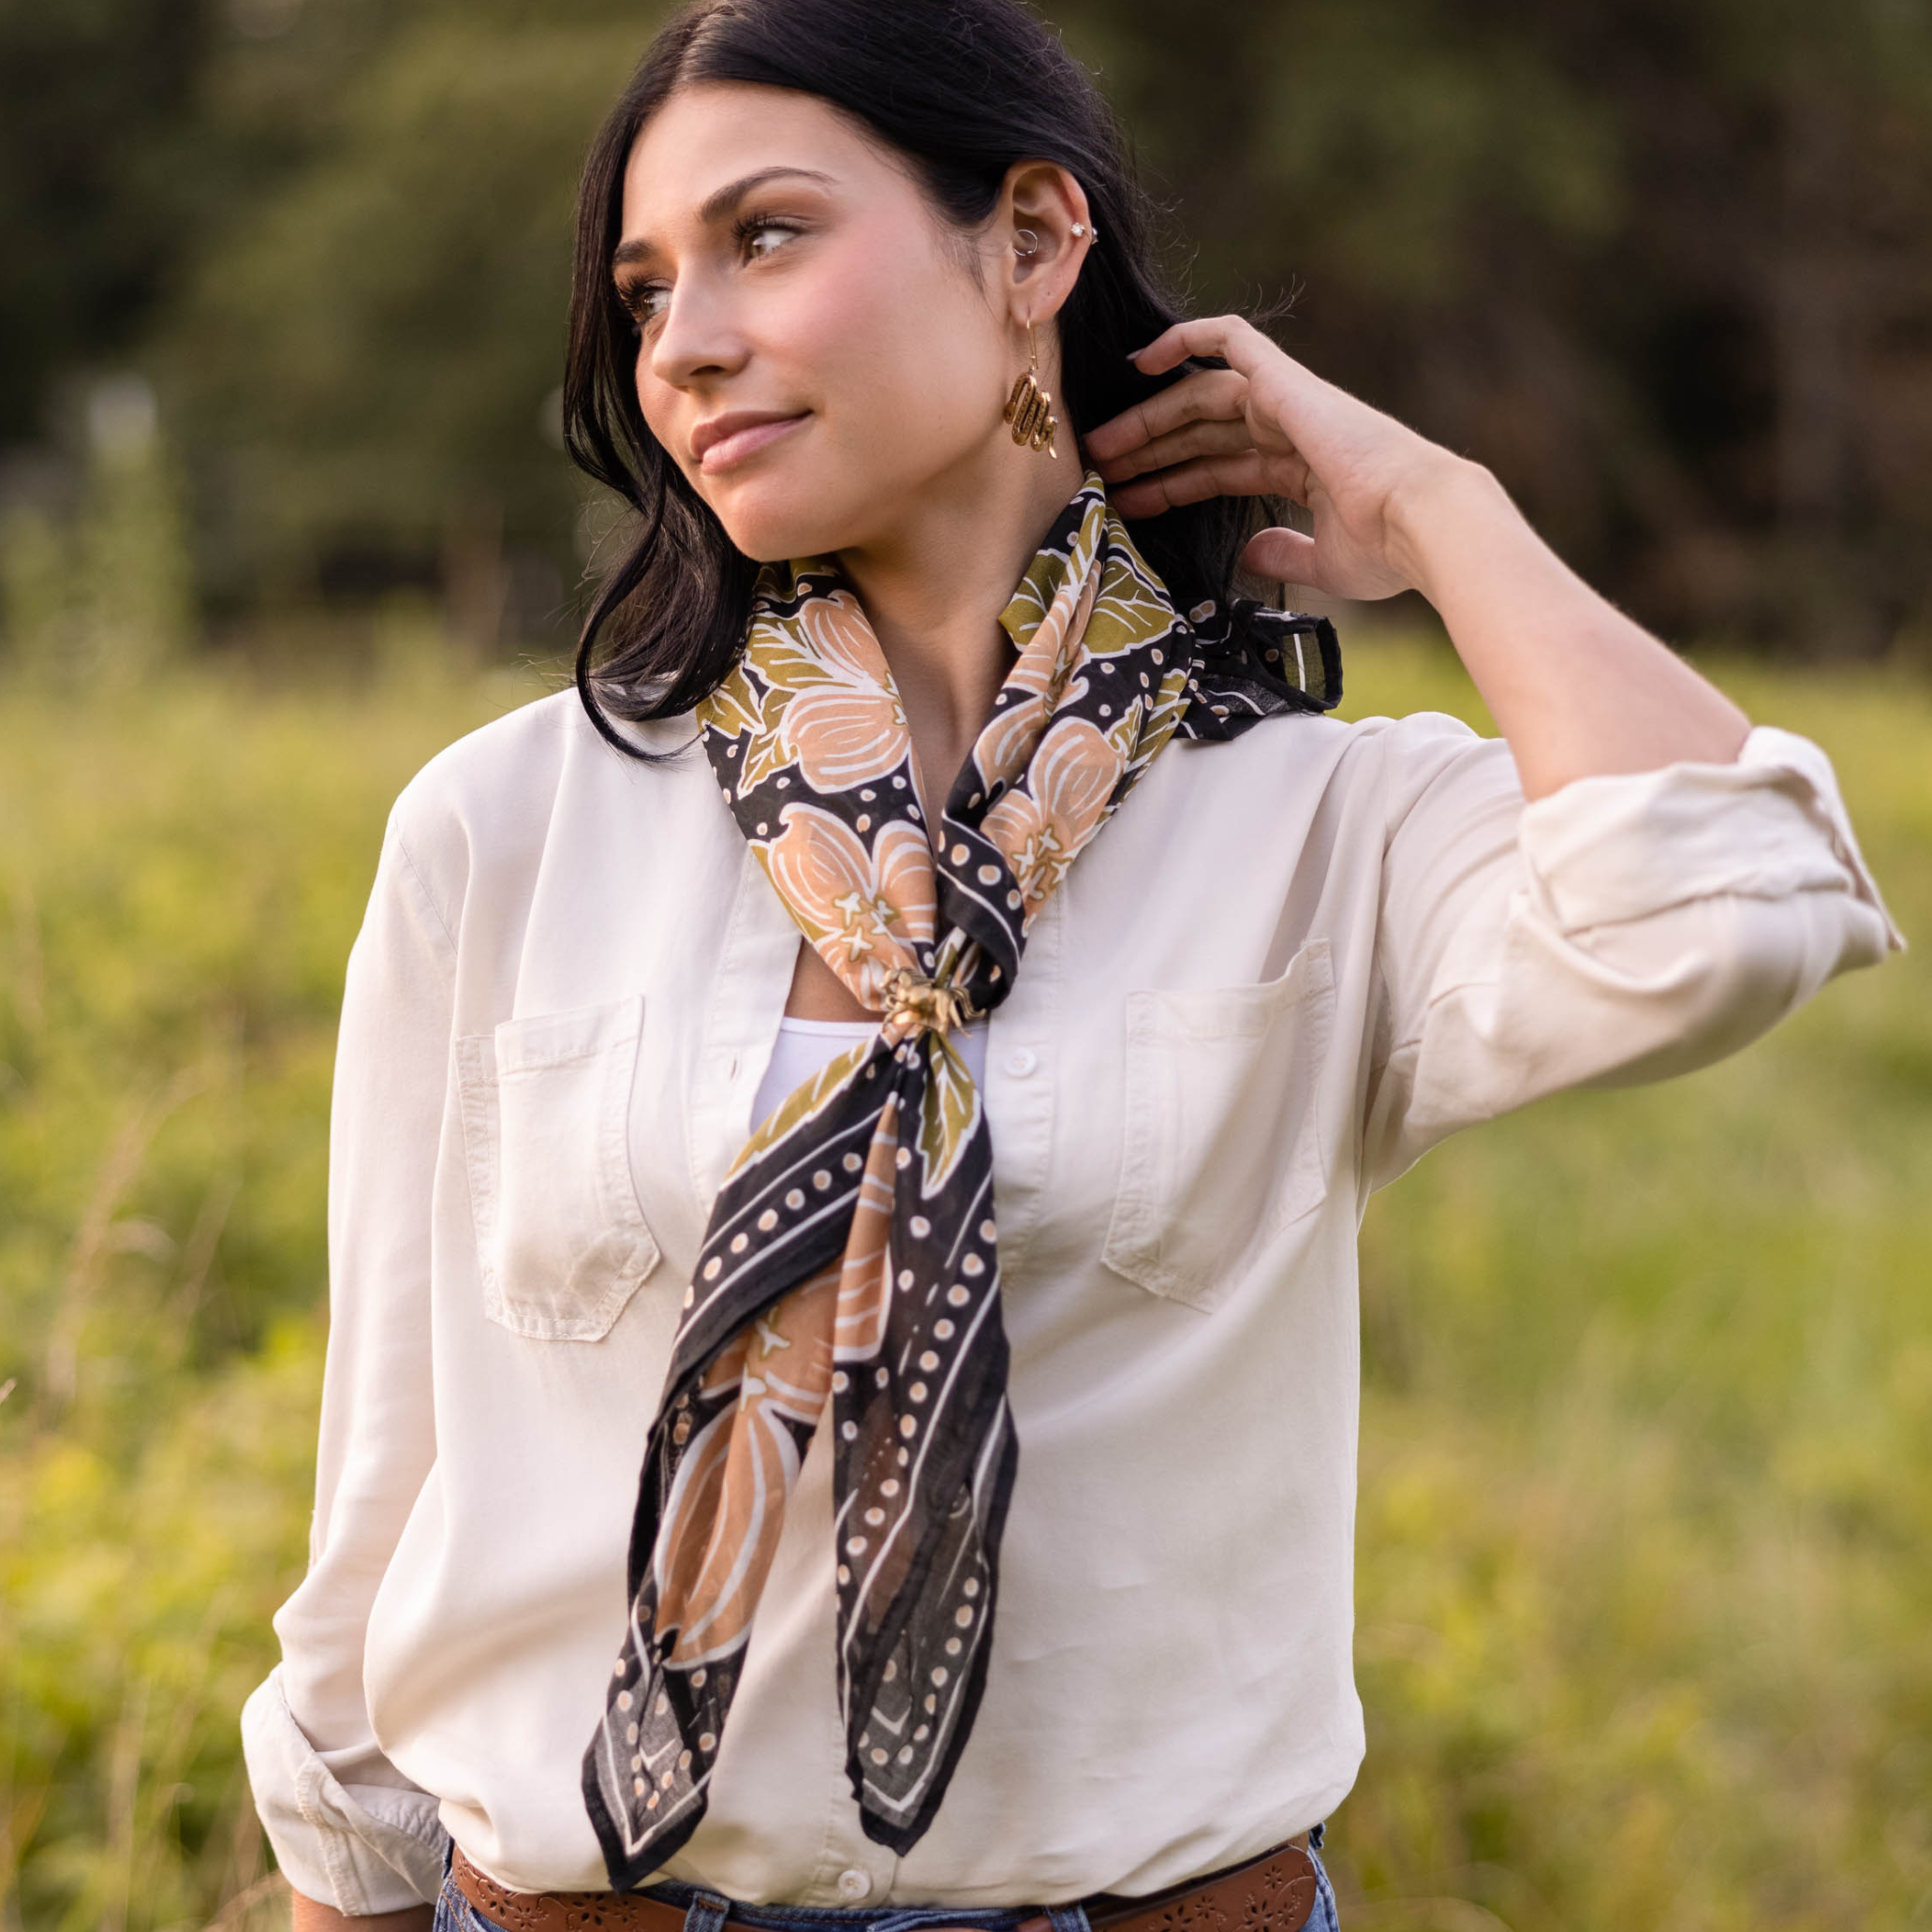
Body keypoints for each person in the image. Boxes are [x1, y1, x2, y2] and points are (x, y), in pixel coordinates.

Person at [240, 3, 1901, 1929]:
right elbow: (383, 1483)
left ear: (1031, 242)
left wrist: (1442, 514)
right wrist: (338, 1880)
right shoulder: (512, 821)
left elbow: (1738, 907)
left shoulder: (1311, 826)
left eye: (763, 236)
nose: (682, 339)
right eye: (642, 287)